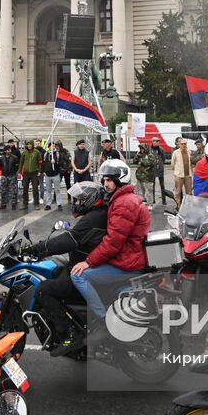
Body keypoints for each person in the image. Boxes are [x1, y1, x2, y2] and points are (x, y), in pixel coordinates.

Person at [71, 158, 150, 342]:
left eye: (109, 180)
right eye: (104, 180)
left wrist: (88, 261)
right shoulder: (125, 198)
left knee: (78, 275)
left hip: (127, 262)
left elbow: (113, 242)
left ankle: (103, 321)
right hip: (130, 257)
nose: (105, 184)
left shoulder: (124, 203)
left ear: (120, 180)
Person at [28, 181, 110, 355]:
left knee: (44, 290)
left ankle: (68, 334)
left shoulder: (93, 218)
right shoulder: (98, 214)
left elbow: (69, 240)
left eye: (79, 200)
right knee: (57, 273)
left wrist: (37, 249)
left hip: (85, 270)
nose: (76, 203)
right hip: (87, 265)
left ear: (90, 200)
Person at [41, 141, 67, 211]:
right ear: (49, 147)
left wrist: (55, 162)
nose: (53, 147)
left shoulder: (58, 154)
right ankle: (48, 204)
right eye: (51, 146)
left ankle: (59, 204)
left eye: (54, 146)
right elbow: (43, 163)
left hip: (55, 174)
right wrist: (43, 171)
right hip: (47, 175)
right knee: (48, 190)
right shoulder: (46, 154)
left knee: (57, 190)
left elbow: (62, 163)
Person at [0, 138, 21, 210]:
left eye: (10, 150)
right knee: (2, 191)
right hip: (4, 175)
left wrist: (14, 172)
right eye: (7, 150)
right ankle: (3, 204)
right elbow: (0, 166)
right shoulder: (2, 158)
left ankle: (13, 204)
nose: (9, 151)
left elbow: (17, 166)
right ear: (5, 151)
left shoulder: (14, 158)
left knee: (13, 190)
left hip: (12, 175)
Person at [21, 139, 43, 208]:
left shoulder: (37, 152)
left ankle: (36, 204)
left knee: (35, 189)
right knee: (25, 189)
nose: (29, 145)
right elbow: (21, 162)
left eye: (30, 144)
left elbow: (40, 162)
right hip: (26, 173)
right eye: (28, 144)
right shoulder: (24, 152)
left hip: (34, 173)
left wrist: (39, 171)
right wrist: (19, 171)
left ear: (32, 145)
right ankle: (25, 204)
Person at [170, 137, 191, 207]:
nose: (184, 145)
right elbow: (172, 163)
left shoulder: (189, 152)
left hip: (188, 176)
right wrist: (176, 171)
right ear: (179, 144)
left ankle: (188, 206)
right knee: (177, 192)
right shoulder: (175, 152)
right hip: (179, 175)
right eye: (182, 144)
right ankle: (177, 206)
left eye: (185, 144)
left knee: (189, 192)